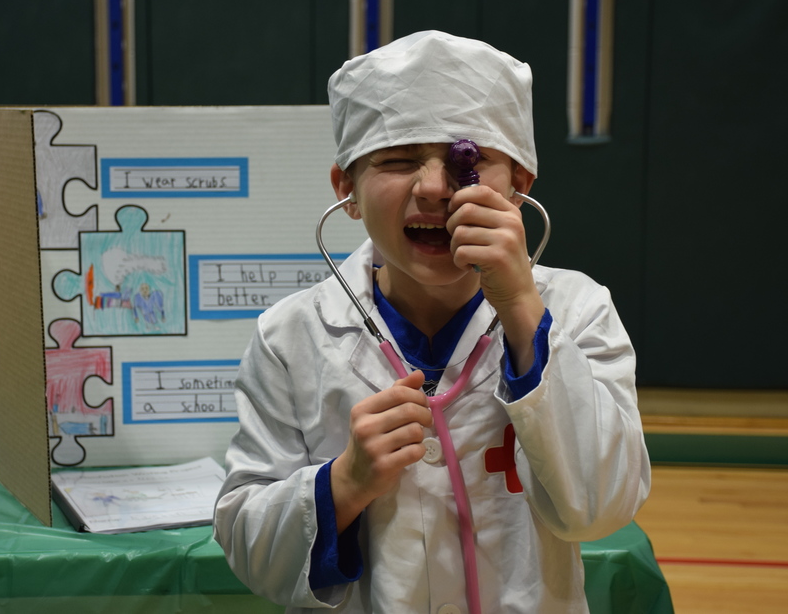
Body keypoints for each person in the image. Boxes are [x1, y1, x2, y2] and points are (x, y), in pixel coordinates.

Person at [213, 31, 650, 613]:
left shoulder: (577, 309)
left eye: (466, 160)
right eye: (395, 160)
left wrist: (521, 308)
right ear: (346, 188)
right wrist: (343, 483)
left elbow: (603, 506)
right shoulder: (289, 338)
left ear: (519, 184)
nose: (434, 188)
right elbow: (247, 544)